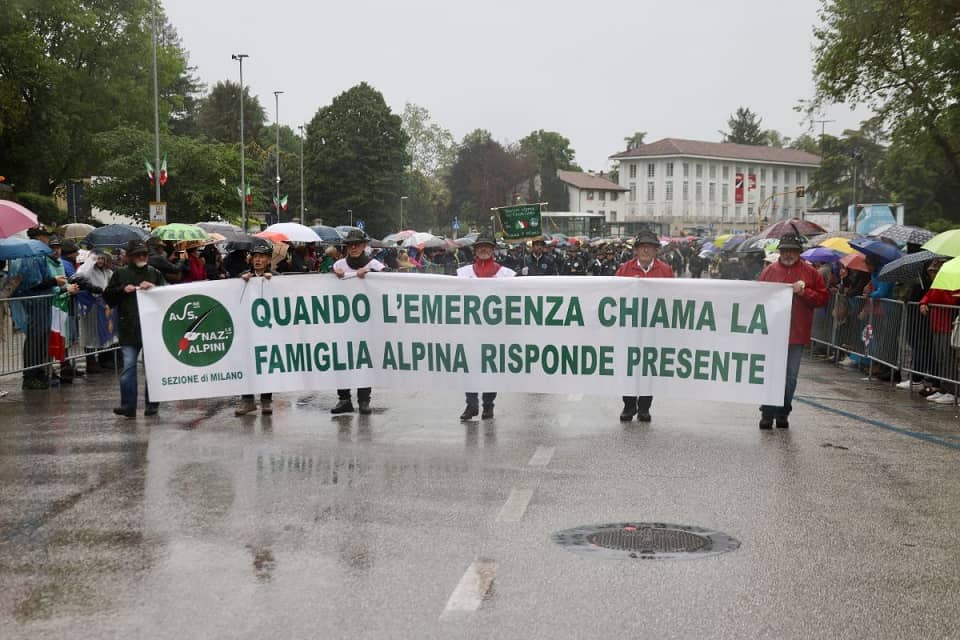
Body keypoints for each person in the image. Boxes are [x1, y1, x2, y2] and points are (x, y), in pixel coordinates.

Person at [756, 233, 829, 429]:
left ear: (799, 252)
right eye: (785, 250)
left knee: (790, 376)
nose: (789, 254)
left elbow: (822, 299)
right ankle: (767, 412)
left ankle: (783, 411)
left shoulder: (810, 272)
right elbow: (756, 298)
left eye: (793, 251)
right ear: (780, 251)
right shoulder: (769, 271)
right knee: (770, 374)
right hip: (772, 333)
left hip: (796, 333)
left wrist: (804, 292)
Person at [615, 228, 675, 422]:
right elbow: (614, 295)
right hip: (630, 329)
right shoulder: (624, 269)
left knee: (649, 368)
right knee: (629, 367)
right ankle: (629, 405)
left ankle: (644, 407)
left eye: (650, 247)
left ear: (656, 250)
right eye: (642, 247)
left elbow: (673, 298)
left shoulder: (665, 271)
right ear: (636, 250)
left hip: (654, 329)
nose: (646, 251)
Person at [103, 240, 166, 418]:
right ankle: (128, 405)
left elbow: (168, 294)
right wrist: (123, 289)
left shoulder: (155, 273)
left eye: (144, 254)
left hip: (151, 328)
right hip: (128, 327)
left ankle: (152, 404)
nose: (141, 257)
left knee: (152, 367)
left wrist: (155, 288)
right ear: (130, 257)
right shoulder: (120, 274)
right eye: (138, 254)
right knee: (129, 367)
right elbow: (108, 297)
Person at [457, 235, 516, 420]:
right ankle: (471, 404)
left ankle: (488, 405)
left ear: (493, 250)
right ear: (475, 250)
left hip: (495, 332)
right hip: (470, 331)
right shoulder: (462, 273)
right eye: (480, 247)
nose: (484, 250)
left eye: (487, 247)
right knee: (470, 368)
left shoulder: (507, 274)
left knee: (492, 370)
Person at [330, 230, 386, 415]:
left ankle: (364, 400)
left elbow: (390, 280)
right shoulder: (339, 264)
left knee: (364, 360)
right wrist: (332, 273)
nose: (353, 248)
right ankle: (344, 398)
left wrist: (371, 273)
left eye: (357, 244)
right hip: (344, 324)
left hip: (366, 323)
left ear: (364, 246)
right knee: (342, 359)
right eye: (350, 245)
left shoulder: (374, 264)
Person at [235, 240, 275, 416]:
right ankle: (247, 400)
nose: (258, 260)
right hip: (248, 329)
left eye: (262, 257)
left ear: (268, 260)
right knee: (247, 363)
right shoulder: (243, 276)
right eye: (255, 257)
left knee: (266, 363)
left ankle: (266, 400)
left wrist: (273, 283)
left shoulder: (276, 277)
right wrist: (241, 281)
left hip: (268, 329)